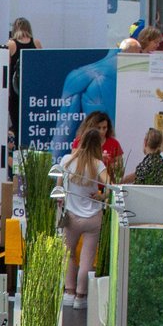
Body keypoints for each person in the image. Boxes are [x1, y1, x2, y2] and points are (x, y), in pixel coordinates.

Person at [59, 124, 110, 311]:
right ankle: (81, 296)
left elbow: (59, 185)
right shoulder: (98, 165)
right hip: (93, 218)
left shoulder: (66, 160)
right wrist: (101, 195)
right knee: (87, 259)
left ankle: (69, 292)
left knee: (69, 254)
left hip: (71, 216)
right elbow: (110, 187)